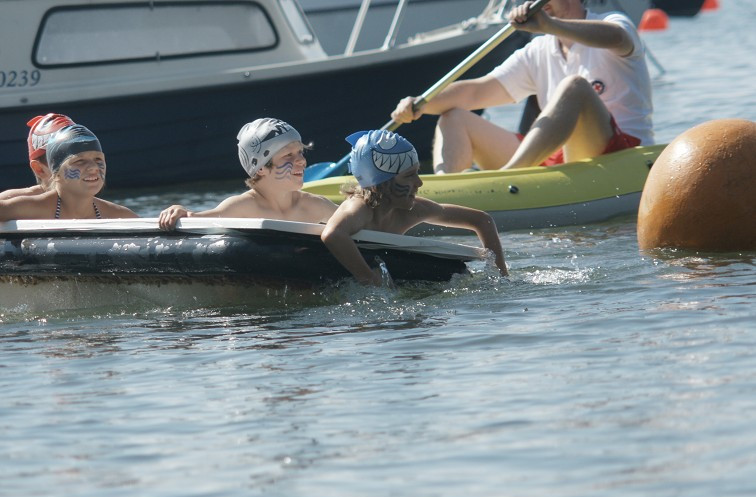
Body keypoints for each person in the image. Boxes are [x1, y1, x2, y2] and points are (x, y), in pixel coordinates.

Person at [391, 0, 653, 173]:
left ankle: (510, 176)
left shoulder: (614, 23)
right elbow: (476, 92)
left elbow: (617, 38)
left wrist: (549, 25)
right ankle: (446, 196)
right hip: (556, 156)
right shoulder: (537, 50)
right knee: (454, 115)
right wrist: (421, 104)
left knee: (574, 86)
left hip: (621, 153)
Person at [0, 124, 138, 297]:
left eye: (98, 159)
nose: (93, 168)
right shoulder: (37, 206)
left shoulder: (116, 213)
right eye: (79, 161)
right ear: (55, 172)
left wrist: (169, 212)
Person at [321, 130, 508, 286]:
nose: (419, 182)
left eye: (417, 173)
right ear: (381, 183)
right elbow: (333, 234)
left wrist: (500, 277)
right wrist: (367, 277)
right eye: (409, 175)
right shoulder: (360, 207)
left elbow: (482, 220)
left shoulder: (412, 210)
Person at [158, 118, 338, 229]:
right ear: (261, 168)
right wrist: (178, 210)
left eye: (300, 152)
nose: (301, 161)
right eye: (288, 155)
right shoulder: (242, 207)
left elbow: (361, 226)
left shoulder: (315, 205)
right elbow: (195, 220)